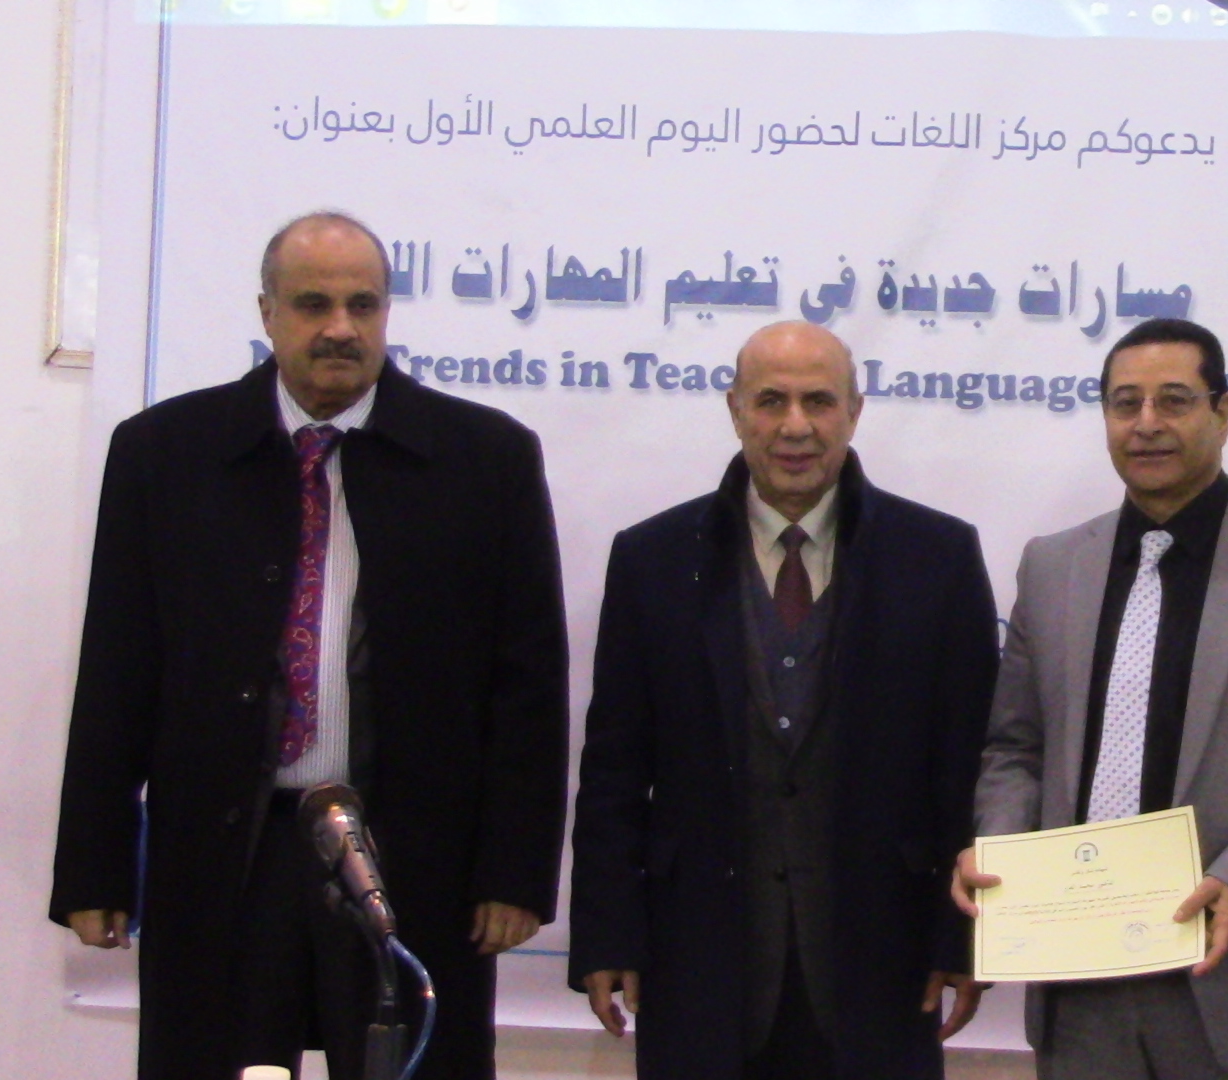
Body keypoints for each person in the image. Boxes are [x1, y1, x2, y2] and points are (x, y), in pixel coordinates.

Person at [49, 211, 570, 1080]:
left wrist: (514, 873)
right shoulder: (164, 455)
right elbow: (118, 670)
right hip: (227, 857)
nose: (340, 328)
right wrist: (95, 867)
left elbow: (528, 689)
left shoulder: (486, 460)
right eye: (313, 304)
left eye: (362, 305)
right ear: (267, 312)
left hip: (411, 862)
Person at [955, 318, 1228, 1080]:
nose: (1147, 423)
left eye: (1175, 400)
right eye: (1126, 403)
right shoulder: (1053, 565)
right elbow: (1015, 747)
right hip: (1078, 983)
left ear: (1223, 412)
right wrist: (1000, 851)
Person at [568, 321, 1000, 1080]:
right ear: (735, 410)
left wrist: (962, 938)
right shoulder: (652, 559)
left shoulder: (937, 557)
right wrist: (607, 933)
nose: (795, 426)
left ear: (854, 412)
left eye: (818, 401)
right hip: (697, 960)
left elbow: (968, 766)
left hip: (885, 962)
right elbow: (614, 771)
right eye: (771, 401)